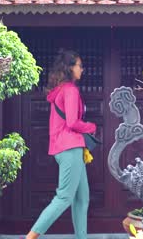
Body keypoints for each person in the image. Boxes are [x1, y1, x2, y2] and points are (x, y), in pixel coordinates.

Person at [26, 50, 97, 239]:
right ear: (70, 68)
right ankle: (30, 237)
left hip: (65, 147)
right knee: (65, 197)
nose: (82, 69)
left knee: (82, 198)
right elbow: (73, 122)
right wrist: (91, 126)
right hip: (70, 147)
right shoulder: (70, 90)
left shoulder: (60, 90)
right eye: (79, 66)